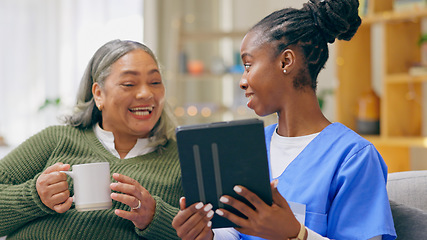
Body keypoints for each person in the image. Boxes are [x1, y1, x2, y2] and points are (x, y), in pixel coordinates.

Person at [172, 0, 397, 239]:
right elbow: (237, 232)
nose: (242, 80)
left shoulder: (353, 157)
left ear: (286, 61)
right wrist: (206, 235)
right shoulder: (249, 146)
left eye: (248, 65)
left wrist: (295, 234)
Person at [0, 39, 184, 239]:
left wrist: (156, 217)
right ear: (98, 94)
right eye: (129, 84)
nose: (146, 93)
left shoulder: (183, 160)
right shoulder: (56, 139)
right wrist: (33, 196)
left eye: (155, 83)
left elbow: (211, 231)